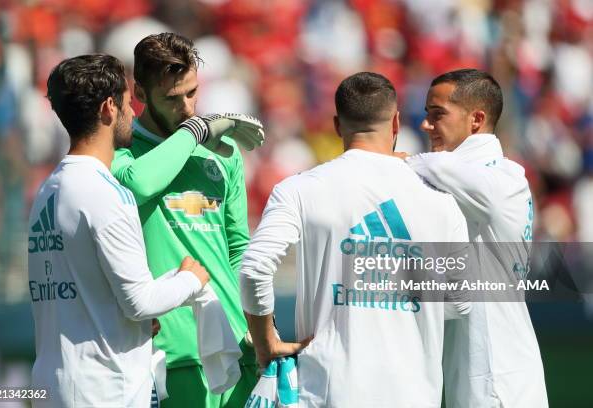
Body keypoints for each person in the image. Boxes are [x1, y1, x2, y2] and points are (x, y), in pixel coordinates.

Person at [240, 72, 470, 407]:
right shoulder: (440, 199)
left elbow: (254, 268)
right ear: (395, 123)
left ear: (337, 125)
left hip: (330, 392)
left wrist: (265, 342)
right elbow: (461, 301)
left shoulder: (300, 189)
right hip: (415, 393)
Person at [28, 54, 210, 408]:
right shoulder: (106, 192)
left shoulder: (48, 188)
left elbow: (82, 291)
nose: (132, 112)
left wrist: (136, 328)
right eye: (129, 102)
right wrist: (190, 279)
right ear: (109, 108)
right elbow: (140, 302)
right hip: (103, 390)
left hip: (53, 383)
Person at [111, 33, 264, 408]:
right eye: (172, 98)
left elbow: (238, 245)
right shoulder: (121, 151)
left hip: (234, 342)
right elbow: (139, 185)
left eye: (192, 92)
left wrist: (255, 323)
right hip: (169, 352)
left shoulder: (223, 155)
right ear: (141, 94)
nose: (187, 107)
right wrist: (192, 133)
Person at [406, 68, 548, 407]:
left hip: (496, 378)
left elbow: (435, 167)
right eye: (426, 114)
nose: (426, 125)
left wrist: (381, 163)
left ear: (476, 119)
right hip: (482, 376)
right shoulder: (480, 178)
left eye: (437, 114)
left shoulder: (502, 180)